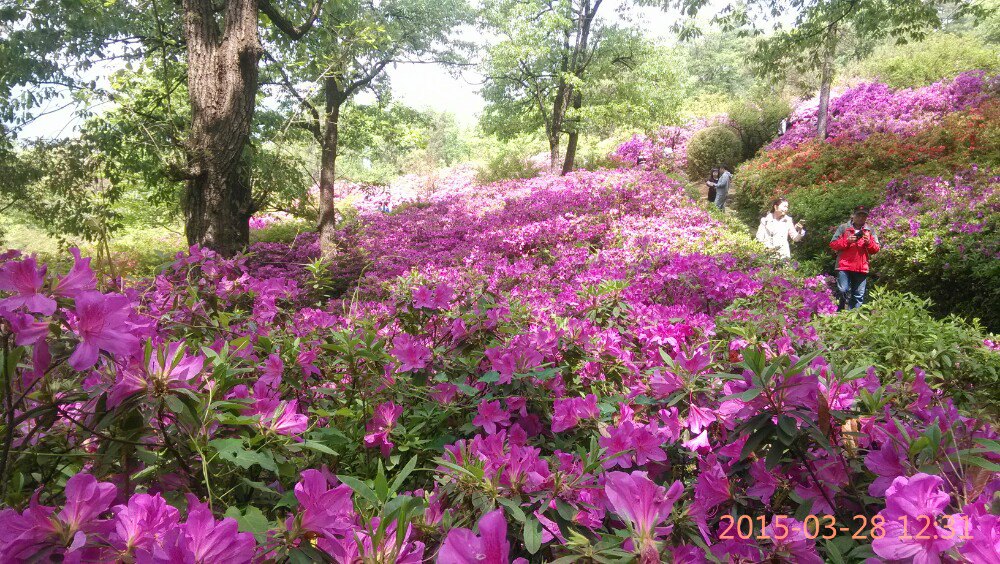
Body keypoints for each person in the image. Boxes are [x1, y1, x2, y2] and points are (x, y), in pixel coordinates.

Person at [830, 205, 881, 310]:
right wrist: (847, 241)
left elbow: (876, 249)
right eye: (859, 215)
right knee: (843, 291)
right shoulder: (843, 228)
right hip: (844, 265)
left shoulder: (870, 230)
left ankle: (853, 320)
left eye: (864, 215)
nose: (861, 217)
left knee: (858, 295)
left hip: (861, 267)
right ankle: (839, 314)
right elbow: (833, 244)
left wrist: (868, 242)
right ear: (853, 215)